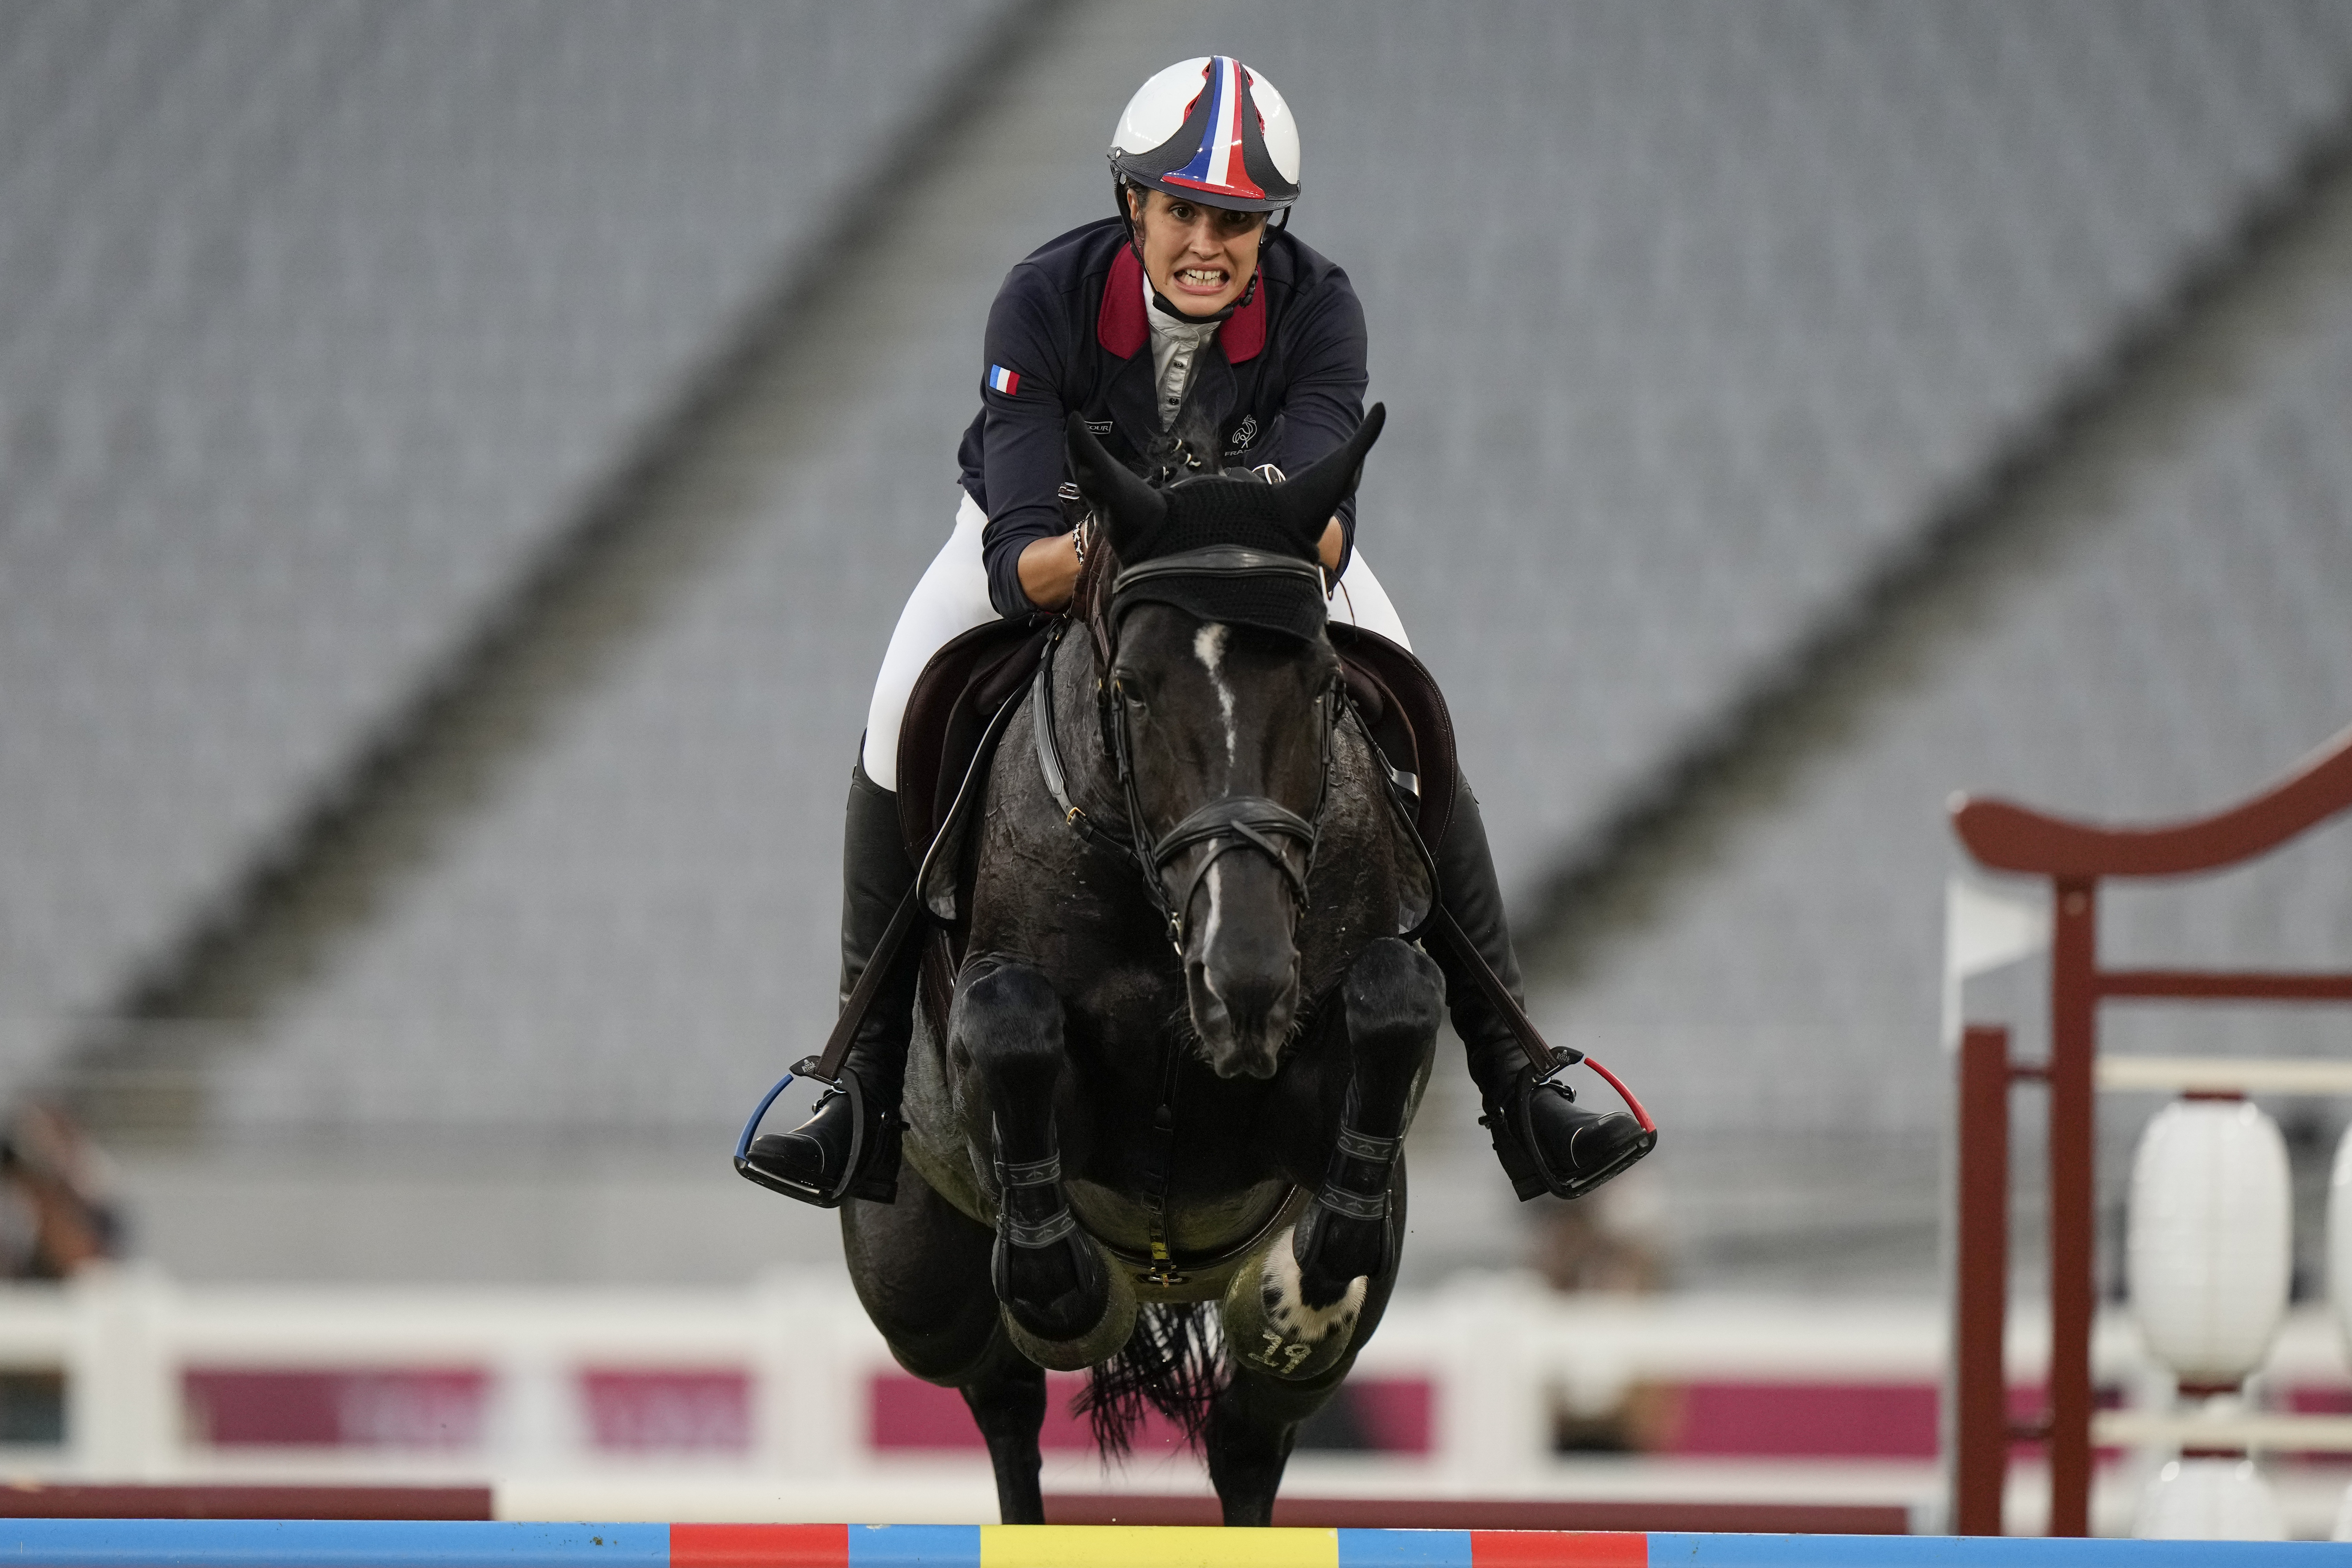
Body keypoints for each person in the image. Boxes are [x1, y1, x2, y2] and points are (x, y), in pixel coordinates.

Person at [747, 57, 1648, 1210]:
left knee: (1417, 709)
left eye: (1236, 218)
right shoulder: (1045, 297)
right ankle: (859, 1087)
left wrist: (1207, 543)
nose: (1208, 243)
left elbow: (1322, 528)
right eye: (1183, 211)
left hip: (1259, 568)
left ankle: (1522, 1078)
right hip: (1068, 546)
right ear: (1135, 205)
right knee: (898, 711)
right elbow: (1021, 561)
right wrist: (1147, 551)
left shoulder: (1322, 307)